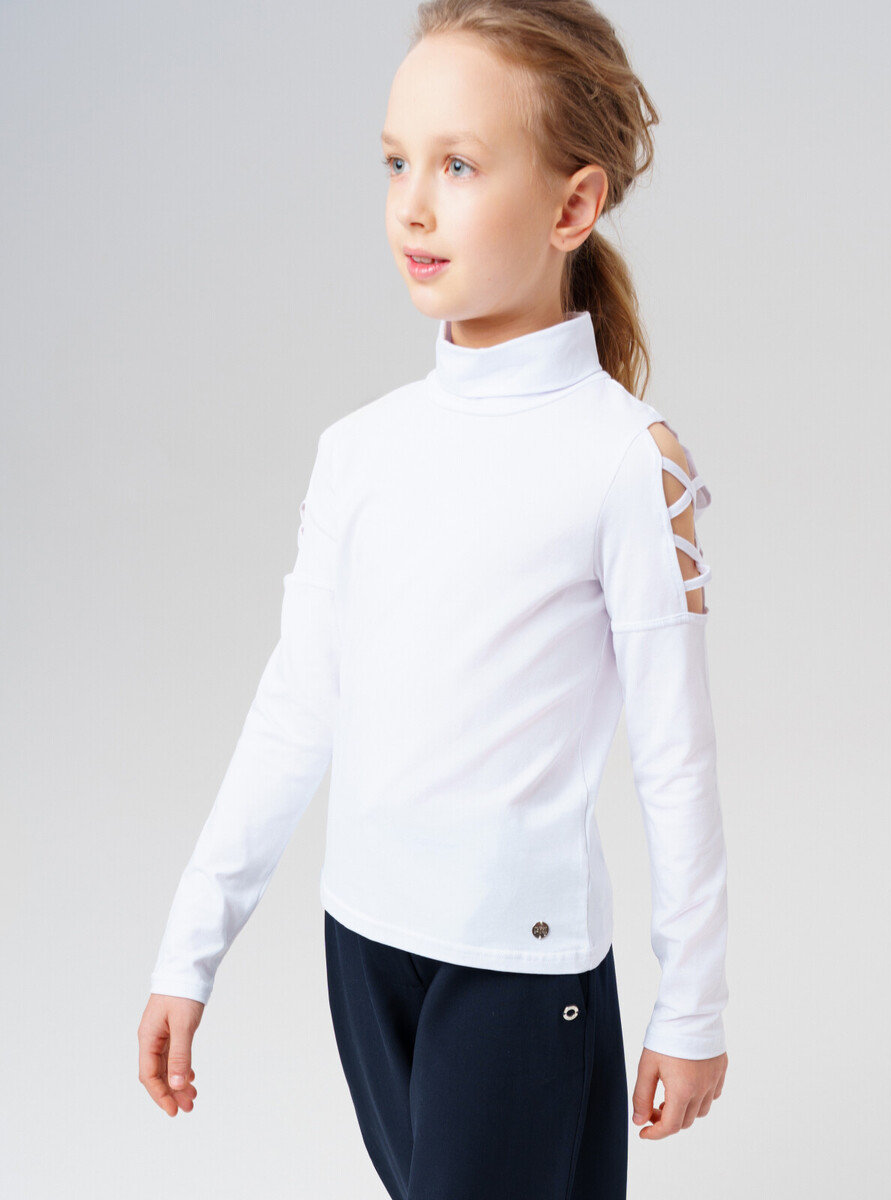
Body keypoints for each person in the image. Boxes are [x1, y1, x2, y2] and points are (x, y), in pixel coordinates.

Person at [137, 1, 729, 1195]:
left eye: (459, 165)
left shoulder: (627, 461)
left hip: (517, 968)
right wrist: (189, 949)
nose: (412, 204)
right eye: (397, 162)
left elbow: (675, 753)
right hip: (362, 946)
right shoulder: (359, 451)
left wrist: (695, 1003)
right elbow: (297, 706)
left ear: (572, 206)